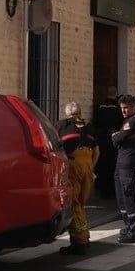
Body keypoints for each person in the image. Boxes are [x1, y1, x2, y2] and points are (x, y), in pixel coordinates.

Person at [56, 102, 99, 255]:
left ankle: (79, 241)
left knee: (73, 203)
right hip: (87, 165)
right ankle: (84, 236)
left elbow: (56, 147)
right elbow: (97, 151)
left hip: (73, 165)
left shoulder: (62, 125)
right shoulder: (88, 126)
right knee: (81, 202)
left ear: (68, 114)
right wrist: (90, 168)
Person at [112, 94, 135, 243]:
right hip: (121, 163)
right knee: (122, 198)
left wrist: (117, 136)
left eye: (126, 107)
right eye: (122, 108)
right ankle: (128, 226)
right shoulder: (127, 121)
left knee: (129, 196)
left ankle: (134, 231)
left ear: (134, 107)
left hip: (128, 164)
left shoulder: (133, 121)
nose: (124, 111)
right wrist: (119, 137)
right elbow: (119, 139)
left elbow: (117, 139)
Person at [92, 86, 122, 198]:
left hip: (101, 140)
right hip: (113, 140)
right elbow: (120, 124)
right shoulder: (118, 108)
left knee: (102, 164)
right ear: (116, 94)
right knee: (112, 165)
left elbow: (95, 123)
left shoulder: (99, 106)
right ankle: (112, 190)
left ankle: (102, 190)